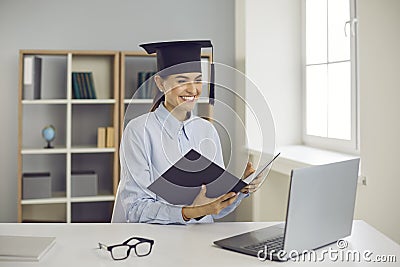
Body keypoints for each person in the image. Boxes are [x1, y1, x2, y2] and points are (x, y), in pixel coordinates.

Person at [112, 40, 261, 224]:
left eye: (198, 80)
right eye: (182, 81)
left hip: (201, 239)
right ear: (160, 83)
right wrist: (190, 212)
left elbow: (215, 211)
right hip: (155, 243)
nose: (192, 89)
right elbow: (135, 210)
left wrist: (239, 190)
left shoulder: (207, 130)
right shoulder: (139, 131)